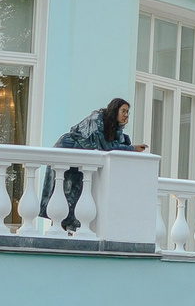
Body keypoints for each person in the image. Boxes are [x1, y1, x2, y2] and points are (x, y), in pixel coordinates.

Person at [45, 97, 140, 228]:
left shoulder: (113, 126)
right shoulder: (97, 120)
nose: (126, 115)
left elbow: (115, 143)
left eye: (128, 112)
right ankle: (59, 227)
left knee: (77, 191)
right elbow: (105, 146)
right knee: (66, 189)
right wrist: (132, 148)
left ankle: (69, 228)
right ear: (114, 111)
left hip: (82, 155)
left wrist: (126, 139)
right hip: (68, 149)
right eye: (123, 111)